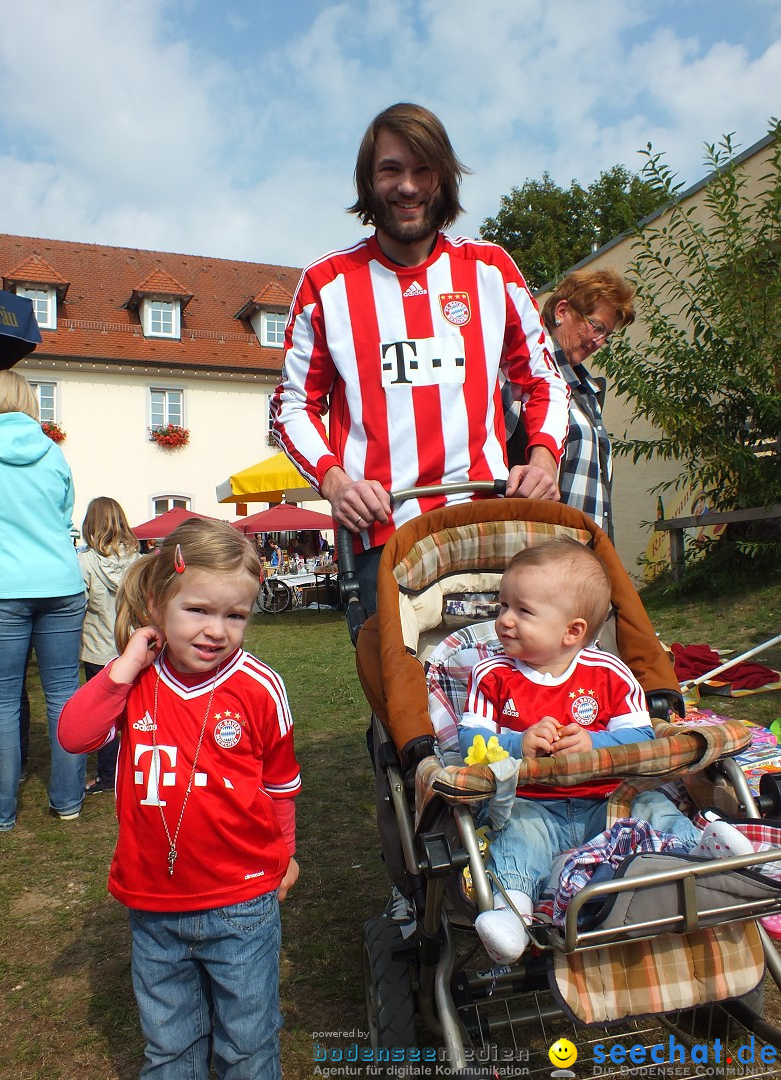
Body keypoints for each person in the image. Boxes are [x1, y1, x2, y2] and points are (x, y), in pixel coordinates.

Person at [271, 101, 569, 615]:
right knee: (398, 696)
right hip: (380, 541)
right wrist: (335, 482)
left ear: (443, 179)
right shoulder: (327, 284)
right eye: (391, 169)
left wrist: (542, 458)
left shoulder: (491, 270)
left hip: (487, 528)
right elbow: (291, 405)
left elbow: (544, 378)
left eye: (423, 170)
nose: (408, 186)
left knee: (502, 689)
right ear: (369, 180)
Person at [58, 519, 300, 1079]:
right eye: (198, 610)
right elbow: (74, 735)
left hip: (241, 903)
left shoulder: (259, 687)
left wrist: (285, 856)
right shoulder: (135, 681)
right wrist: (124, 666)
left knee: (247, 1044)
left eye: (234, 615)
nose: (216, 630)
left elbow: (280, 784)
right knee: (169, 1046)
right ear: (157, 601)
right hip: (153, 904)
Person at [457, 538, 742, 964]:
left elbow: (642, 739)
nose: (504, 621)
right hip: (534, 804)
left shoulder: (608, 673)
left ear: (572, 631)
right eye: (503, 606)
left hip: (609, 799)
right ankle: (512, 911)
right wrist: (518, 743)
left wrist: (595, 742)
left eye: (523, 611)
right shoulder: (491, 675)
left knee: (651, 806)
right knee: (515, 835)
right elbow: (468, 743)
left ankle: (699, 851)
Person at [0, 370, 86, 831]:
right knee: (63, 695)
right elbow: (64, 516)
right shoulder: (53, 453)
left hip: (0, 586)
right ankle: (68, 800)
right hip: (60, 583)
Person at [503, 268, 635, 539]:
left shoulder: (586, 390)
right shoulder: (521, 373)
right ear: (562, 311)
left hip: (585, 558)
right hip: (541, 555)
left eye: (606, 334)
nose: (599, 342)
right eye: (596, 327)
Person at [78, 496, 141, 795]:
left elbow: (79, 606)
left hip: (98, 650)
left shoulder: (84, 563)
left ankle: (108, 775)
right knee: (137, 712)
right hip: (134, 648)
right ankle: (136, 767)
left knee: (105, 716)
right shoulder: (139, 562)